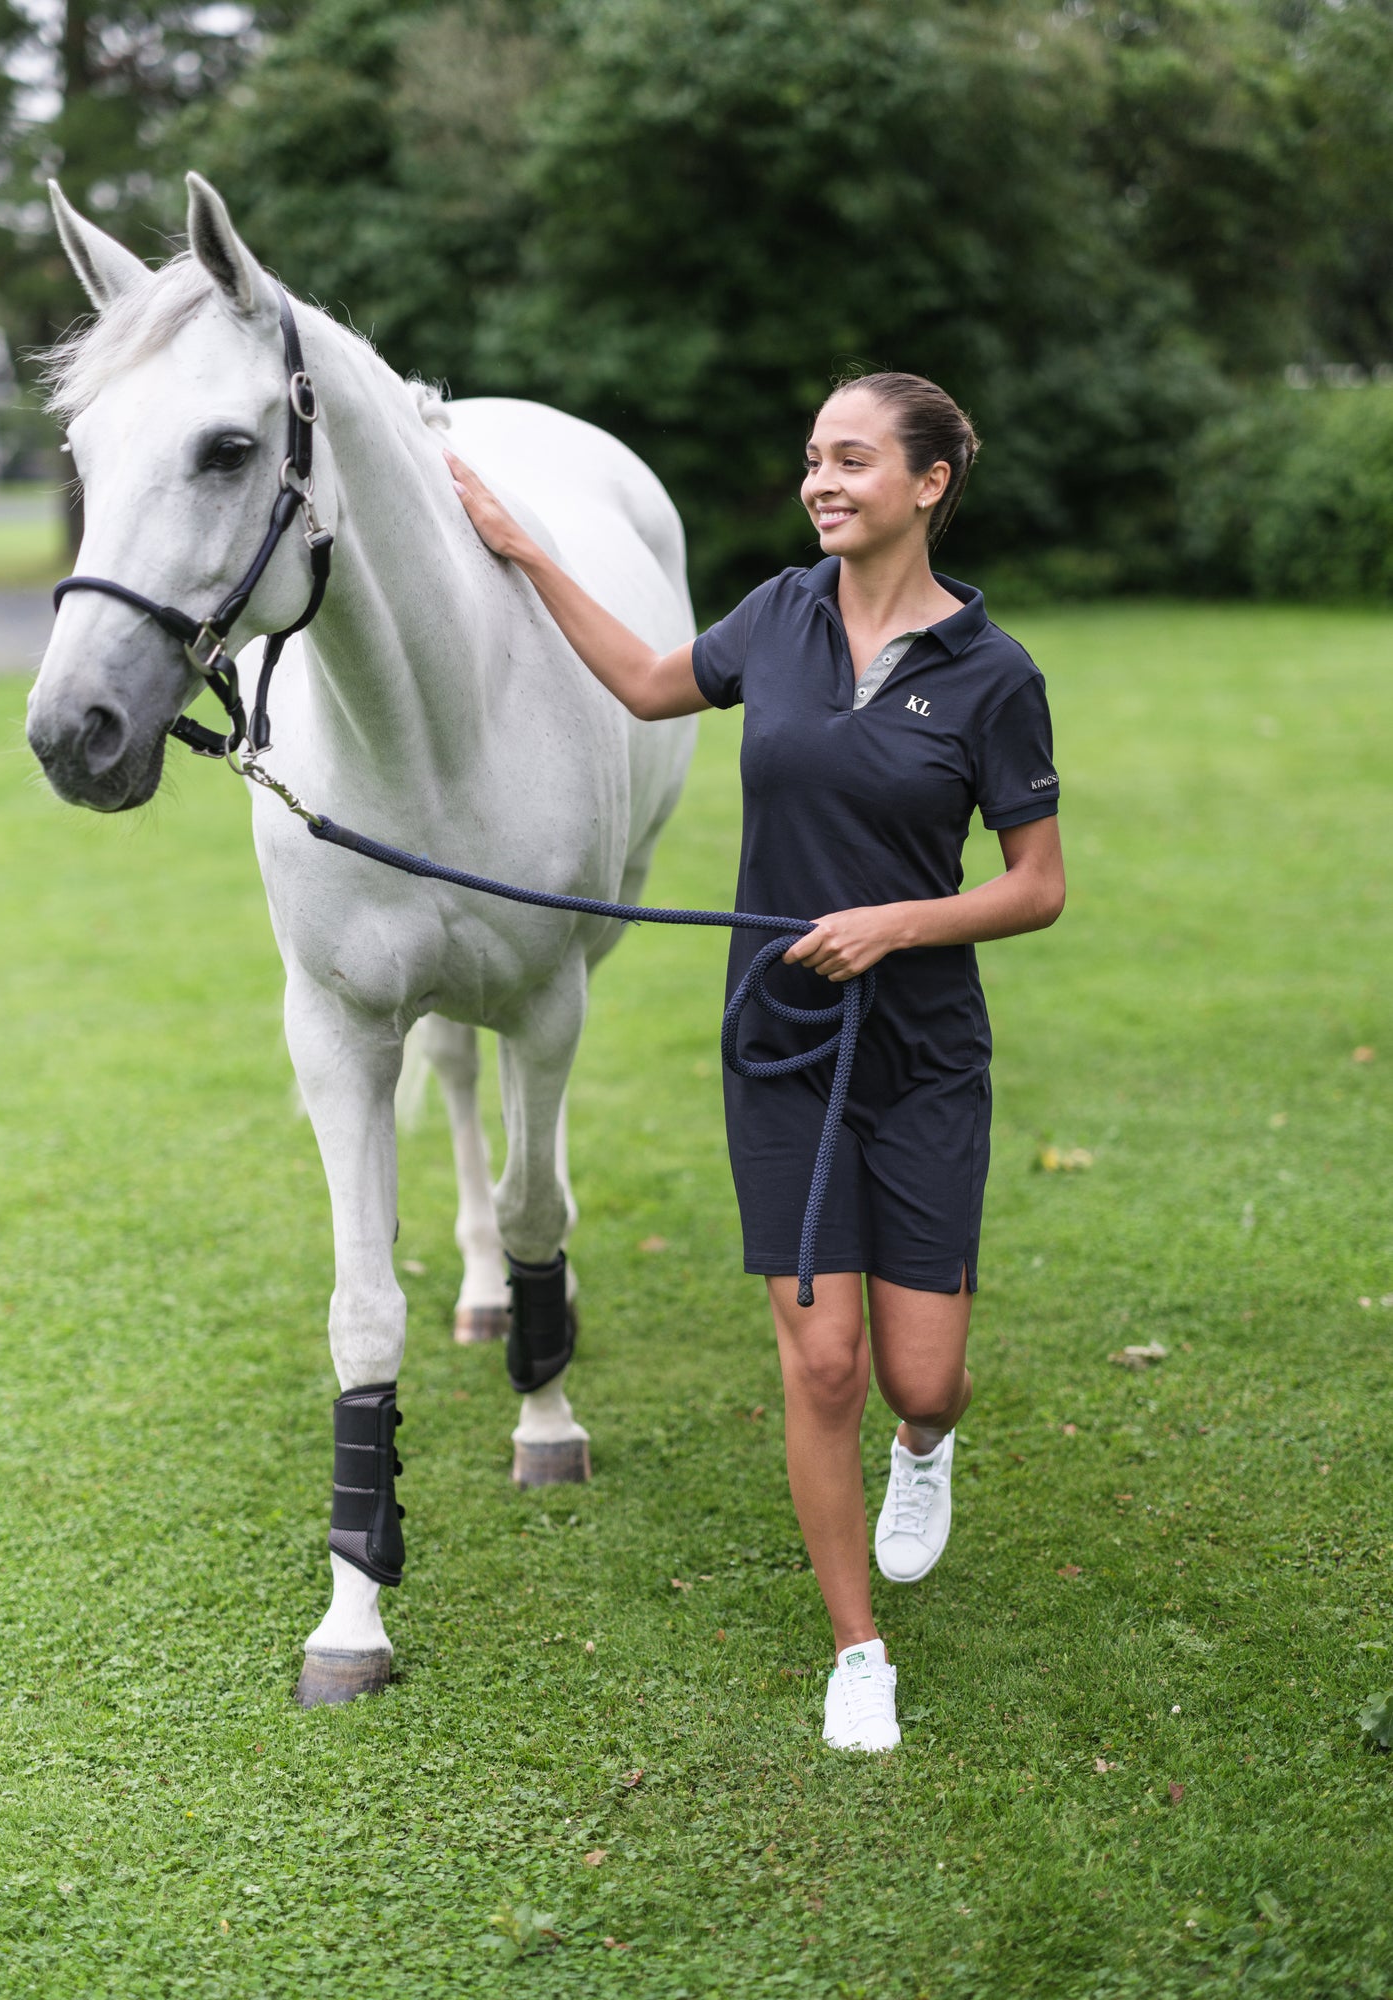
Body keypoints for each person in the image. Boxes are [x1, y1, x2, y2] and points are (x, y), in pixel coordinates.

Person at [444, 370, 1065, 1753]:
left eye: (853, 460)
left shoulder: (994, 674)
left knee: (917, 1378)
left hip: (924, 1053)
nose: (823, 482)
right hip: (778, 1044)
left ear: (928, 483)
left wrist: (899, 921)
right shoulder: (778, 617)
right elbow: (651, 683)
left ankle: (927, 1450)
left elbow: (1038, 886)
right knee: (822, 1360)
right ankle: (858, 1650)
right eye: (812, 460)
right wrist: (528, 547)